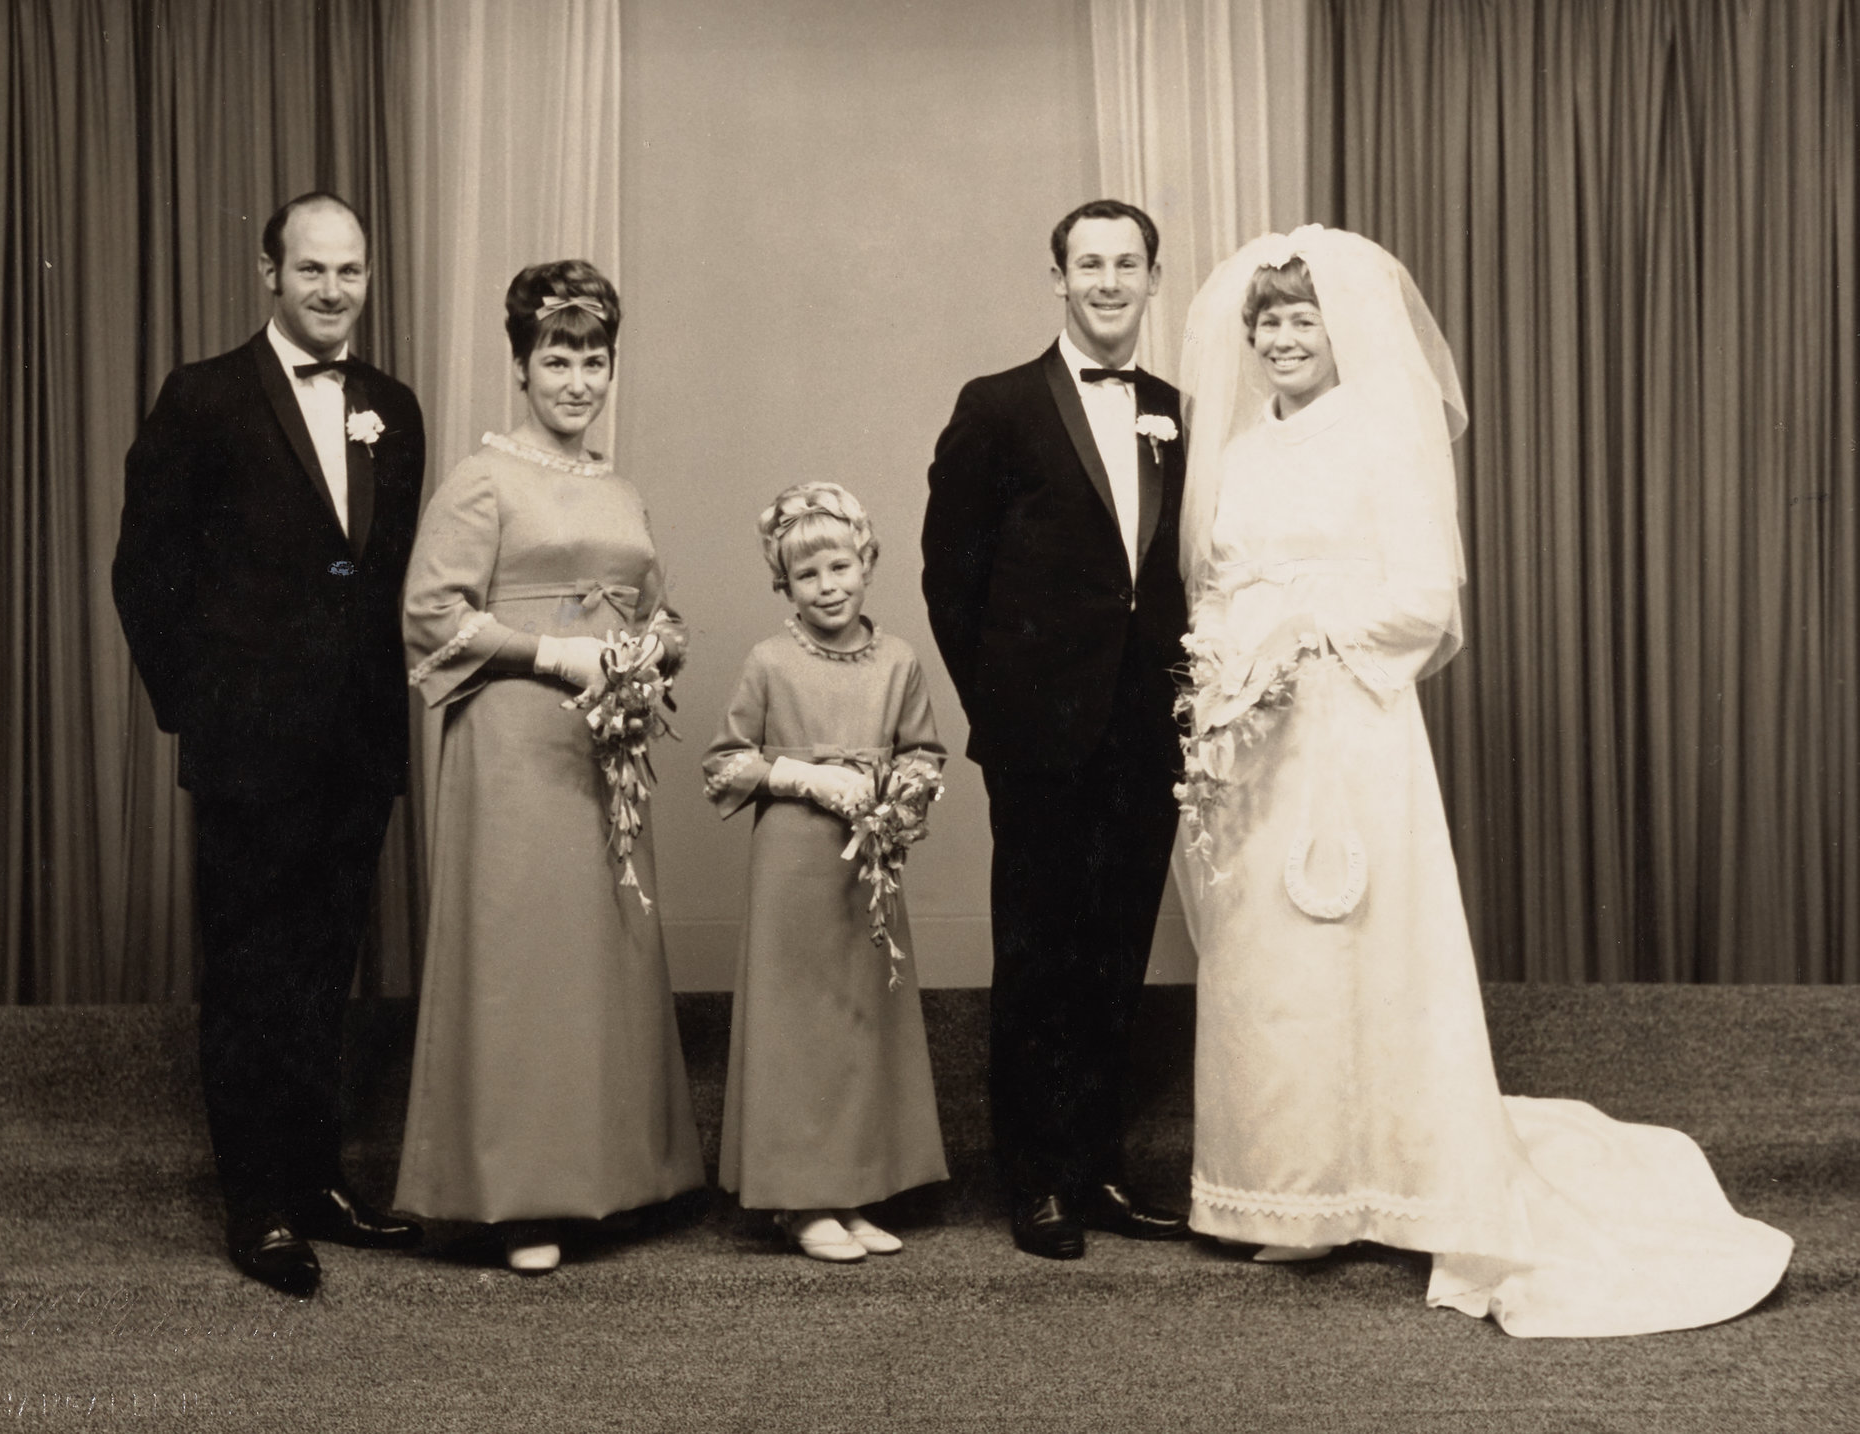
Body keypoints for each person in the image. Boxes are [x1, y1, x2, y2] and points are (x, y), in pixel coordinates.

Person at [1175, 223, 1792, 1336]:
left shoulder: (1381, 434)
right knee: (1266, 952)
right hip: (1248, 735)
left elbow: (1420, 599)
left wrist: (1300, 633)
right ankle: (1290, 1188)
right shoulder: (1240, 451)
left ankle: (1398, 1179)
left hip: (1350, 720)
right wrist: (1226, 672)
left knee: (1360, 936)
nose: (1279, 339)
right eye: (1264, 321)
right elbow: (1214, 586)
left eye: (1301, 319)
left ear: (1339, 331)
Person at [113, 192, 426, 1298]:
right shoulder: (201, 397)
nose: (332, 290)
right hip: (250, 746)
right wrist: (201, 711)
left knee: (322, 970)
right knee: (249, 974)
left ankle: (315, 1183)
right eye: (311, 271)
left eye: (350, 271)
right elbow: (142, 574)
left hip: (356, 747)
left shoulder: (393, 404)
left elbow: (379, 582)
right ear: (268, 274)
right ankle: (258, 1209)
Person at [394, 259, 703, 1275]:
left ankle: (614, 1181)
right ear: (521, 367)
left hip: (603, 744)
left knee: (598, 952)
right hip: (516, 741)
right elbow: (429, 612)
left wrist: (658, 648)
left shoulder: (617, 485)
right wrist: (552, 653)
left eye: (594, 360)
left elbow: (655, 604)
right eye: (556, 358)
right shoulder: (483, 479)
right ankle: (518, 1197)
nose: (576, 379)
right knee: (525, 960)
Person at [921, 200, 1192, 1259]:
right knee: (1037, 954)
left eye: (1128, 264)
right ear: (1057, 279)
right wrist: (1004, 709)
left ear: (1153, 279)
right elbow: (953, 579)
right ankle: (1031, 1181)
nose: (1109, 281)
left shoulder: (1176, 407)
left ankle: (1098, 1170)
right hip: (1040, 735)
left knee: (1115, 953)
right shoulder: (995, 406)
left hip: (1145, 733)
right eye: (1089, 264)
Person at [702, 483, 951, 1262]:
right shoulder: (770, 663)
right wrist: (801, 778)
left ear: (867, 561)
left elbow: (923, 751)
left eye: (839, 566)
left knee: (858, 1023)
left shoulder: (900, 661)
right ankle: (799, 1200)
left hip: (867, 871)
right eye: (806, 577)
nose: (827, 587)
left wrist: (905, 788)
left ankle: (854, 1189)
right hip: (794, 868)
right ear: (783, 585)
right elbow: (724, 763)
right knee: (796, 1028)